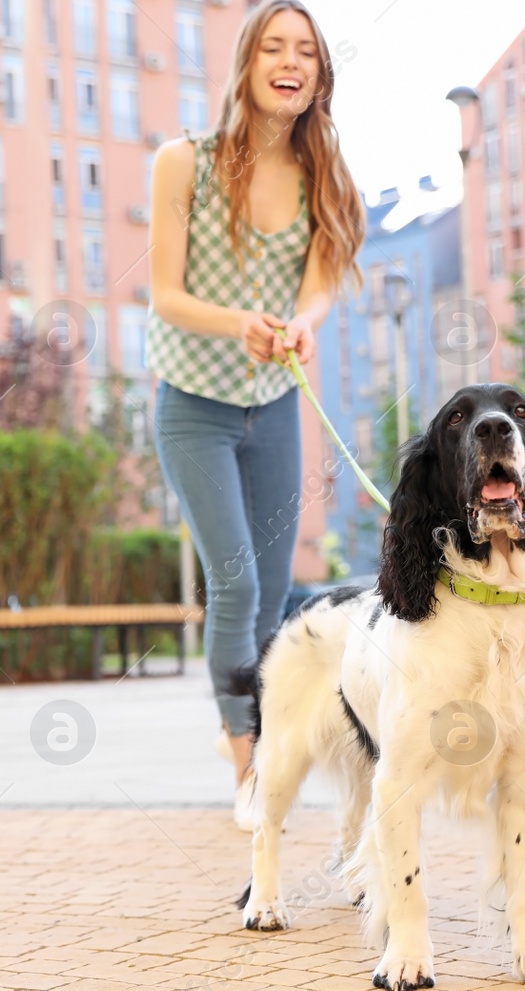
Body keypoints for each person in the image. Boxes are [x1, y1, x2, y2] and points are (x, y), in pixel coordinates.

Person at [146, 0, 364, 831]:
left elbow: (318, 283)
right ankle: (250, 769)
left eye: (305, 51)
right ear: (246, 64)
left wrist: (303, 323)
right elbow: (165, 296)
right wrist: (242, 322)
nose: (290, 60)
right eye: (273, 46)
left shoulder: (324, 177)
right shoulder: (185, 164)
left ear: (318, 75)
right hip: (194, 407)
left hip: (274, 408)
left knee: (271, 598)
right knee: (233, 580)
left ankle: (258, 737)